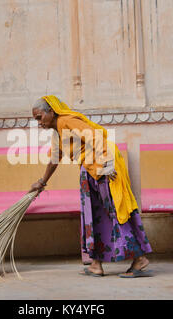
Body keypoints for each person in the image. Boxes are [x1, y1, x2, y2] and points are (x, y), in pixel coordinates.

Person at [29, 95, 152, 278]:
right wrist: (42, 182)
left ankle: (140, 260)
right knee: (94, 215)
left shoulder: (66, 121)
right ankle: (96, 264)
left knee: (114, 210)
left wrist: (107, 163)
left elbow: (95, 136)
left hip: (104, 167)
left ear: (51, 112)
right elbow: (55, 159)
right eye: (36, 120)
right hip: (89, 169)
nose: (39, 123)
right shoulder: (57, 132)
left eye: (40, 117)